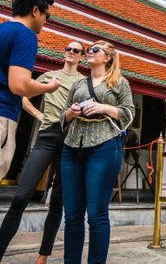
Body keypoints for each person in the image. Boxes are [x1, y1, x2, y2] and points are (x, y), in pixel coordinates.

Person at [0, 41, 85, 263]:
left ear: (81, 57)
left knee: (58, 200)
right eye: (68, 49)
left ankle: (43, 255)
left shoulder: (83, 83)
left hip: (71, 140)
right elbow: (24, 95)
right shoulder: (50, 75)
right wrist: (38, 115)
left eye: (76, 50)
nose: (70, 52)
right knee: (21, 196)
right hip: (47, 136)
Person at [60, 40, 135, 264]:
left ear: (107, 57)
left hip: (104, 147)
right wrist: (72, 113)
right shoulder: (79, 84)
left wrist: (104, 108)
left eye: (95, 50)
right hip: (72, 147)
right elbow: (62, 115)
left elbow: (130, 114)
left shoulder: (119, 83)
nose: (89, 52)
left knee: (96, 215)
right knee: (72, 215)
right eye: (88, 50)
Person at [0, 0, 60, 181]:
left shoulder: (3, 29)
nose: (45, 22)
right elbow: (19, 85)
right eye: (46, 16)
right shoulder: (26, 35)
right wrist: (48, 87)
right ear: (35, 10)